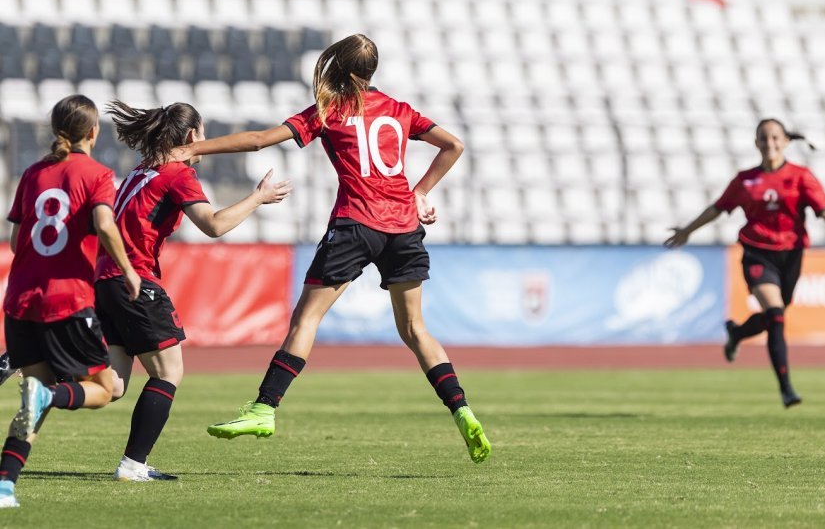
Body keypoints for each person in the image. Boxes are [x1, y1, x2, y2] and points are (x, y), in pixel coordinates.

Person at [172, 34, 490, 464]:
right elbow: (454, 145)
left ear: (335, 67)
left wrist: (193, 147)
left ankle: (264, 408)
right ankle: (462, 410)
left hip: (357, 224)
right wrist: (419, 192)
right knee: (416, 330)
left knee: (306, 318)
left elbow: (260, 139)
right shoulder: (399, 111)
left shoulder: (329, 110)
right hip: (403, 227)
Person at [94, 100, 291, 482]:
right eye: (202, 133)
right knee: (169, 373)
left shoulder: (139, 171)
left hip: (105, 281)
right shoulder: (176, 174)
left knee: (113, 385)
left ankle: (41, 376)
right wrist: (258, 198)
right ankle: (132, 466)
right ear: (191, 136)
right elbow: (213, 226)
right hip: (136, 281)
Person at [0, 95, 141, 509]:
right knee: (103, 387)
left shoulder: (32, 173)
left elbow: (15, 239)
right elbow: (103, 223)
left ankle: (5, 484)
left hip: (21, 301)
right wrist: (128, 270)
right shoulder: (97, 174)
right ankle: (49, 397)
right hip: (67, 300)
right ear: (94, 131)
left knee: (35, 395)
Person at [665, 118, 825, 407]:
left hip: (790, 254)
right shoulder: (745, 180)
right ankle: (786, 388)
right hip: (757, 252)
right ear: (756, 143)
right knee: (776, 314)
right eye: (764, 138)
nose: (770, 143)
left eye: (775, 138)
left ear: (786, 141)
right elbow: (717, 208)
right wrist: (687, 231)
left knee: (773, 314)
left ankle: (737, 333)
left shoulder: (801, 176)